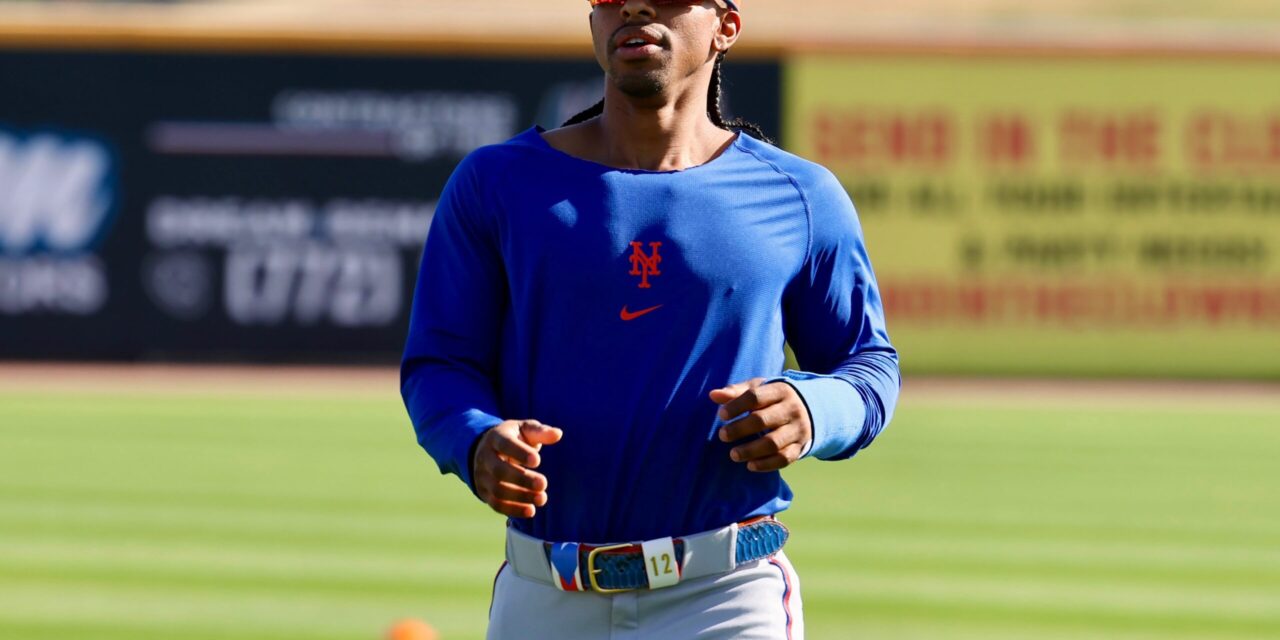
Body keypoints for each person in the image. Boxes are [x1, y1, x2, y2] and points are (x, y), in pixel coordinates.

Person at [400, 0, 900, 637]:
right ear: (591, 26)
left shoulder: (801, 196)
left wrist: (813, 411)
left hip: (724, 597)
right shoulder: (495, 184)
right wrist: (472, 438)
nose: (633, 7)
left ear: (727, 25)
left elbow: (869, 366)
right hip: (544, 594)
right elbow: (440, 364)